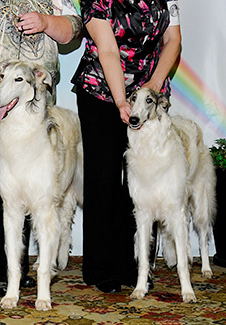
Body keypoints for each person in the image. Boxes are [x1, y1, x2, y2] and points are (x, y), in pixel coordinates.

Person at [0, 0, 82, 298]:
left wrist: (46, 22)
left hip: (32, 111)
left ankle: (11, 271)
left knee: (24, 191)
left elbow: (74, 27)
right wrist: (8, 88)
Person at [71, 0, 181, 293]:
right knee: (104, 178)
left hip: (149, 96)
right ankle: (102, 266)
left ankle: (136, 266)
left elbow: (173, 40)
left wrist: (152, 88)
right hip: (103, 92)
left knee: (146, 179)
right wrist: (122, 100)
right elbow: (107, 50)